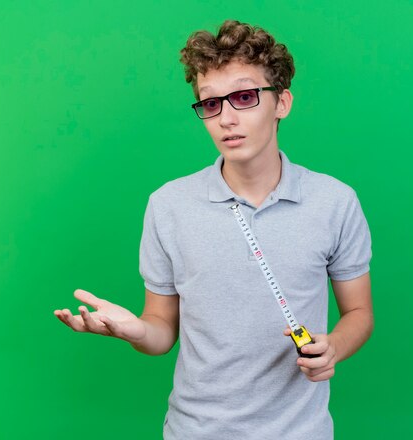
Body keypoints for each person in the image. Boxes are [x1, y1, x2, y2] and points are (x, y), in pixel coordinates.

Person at [54, 19, 373, 439]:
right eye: (211, 103)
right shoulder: (168, 205)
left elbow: (359, 313)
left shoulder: (334, 202)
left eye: (243, 97)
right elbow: (161, 330)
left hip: (301, 431)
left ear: (281, 103)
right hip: (195, 430)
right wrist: (134, 330)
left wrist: (334, 346)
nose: (226, 118)